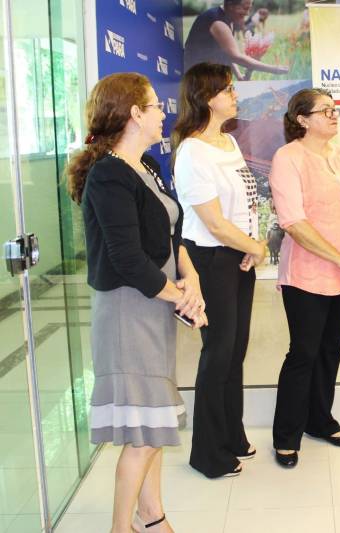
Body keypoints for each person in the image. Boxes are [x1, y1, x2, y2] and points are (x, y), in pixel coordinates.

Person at [66, 72, 207, 533]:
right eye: (154, 106)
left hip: (153, 305)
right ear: (134, 114)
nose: (162, 113)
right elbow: (127, 259)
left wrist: (191, 280)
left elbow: (170, 238)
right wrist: (180, 298)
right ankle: (121, 528)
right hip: (130, 311)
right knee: (143, 437)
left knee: (152, 427)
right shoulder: (109, 174)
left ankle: (153, 517)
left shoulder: (145, 166)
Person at [268, 88, 340, 468]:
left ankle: (320, 421)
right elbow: (293, 222)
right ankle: (286, 435)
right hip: (307, 276)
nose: (334, 115)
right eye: (325, 110)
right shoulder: (288, 158)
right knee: (304, 353)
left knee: (331, 351)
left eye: (335, 109)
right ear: (302, 119)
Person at [172, 62, 267, 479]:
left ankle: (232, 435)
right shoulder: (192, 150)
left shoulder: (228, 142)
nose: (235, 95)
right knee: (218, 353)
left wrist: (250, 247)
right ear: (207, 97)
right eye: (228, 89)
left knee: (235, 352)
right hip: (210, 260)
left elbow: (243, 204)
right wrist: (255, 247)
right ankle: (207, 453)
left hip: (237, 257)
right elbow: (211, 222)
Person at [184, 0, 289, 79]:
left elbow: (227, 53)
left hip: (207, 74)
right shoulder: (218, 22)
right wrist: (274, 69)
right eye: (245, 8)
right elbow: (236, 56)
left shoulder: (228, 20)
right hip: (196, 77)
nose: (247, 13)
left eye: (249, 8)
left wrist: (239, 76)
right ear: (230, 5)